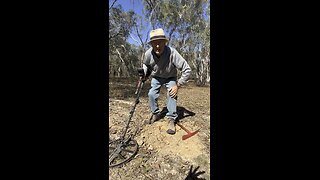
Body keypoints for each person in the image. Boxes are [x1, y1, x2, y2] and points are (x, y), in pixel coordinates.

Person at [141, 28, 191, 135]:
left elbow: (187, 69)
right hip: (157, 77)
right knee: (151, 94)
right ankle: (156, 114)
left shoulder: (172, 52)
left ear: (165, 42)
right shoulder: (148, 54)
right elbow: (146, 64)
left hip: (170, 77)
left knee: (172, 93)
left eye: (160, 43)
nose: (157, 46)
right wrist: (144, 72)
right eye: (154, 43)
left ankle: (171, 119)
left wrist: (178, 85)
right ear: (151, 44)